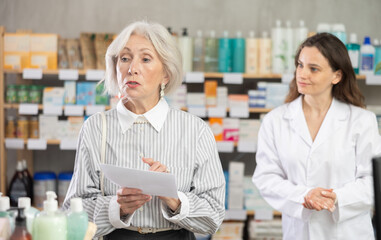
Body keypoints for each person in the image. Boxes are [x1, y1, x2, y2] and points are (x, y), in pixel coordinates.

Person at [63, 21, 225, 239]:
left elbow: (213, 216)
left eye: (145, 59)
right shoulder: (95, 128)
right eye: (125, 58)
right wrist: (117, 208)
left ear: (166, 74)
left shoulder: (195, 131)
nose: (132, 68)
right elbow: (73, 212)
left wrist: (174, 199)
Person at [252, 33, 381, 240]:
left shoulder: (361, 121)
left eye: (313, 69)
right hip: (299, 233)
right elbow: (266, 178)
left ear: (336, 76)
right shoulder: (275, 120)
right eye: (300, 65)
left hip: (349, 233)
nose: (302, 74)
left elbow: (374, 182)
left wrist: (335, 198)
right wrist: (304, 196)